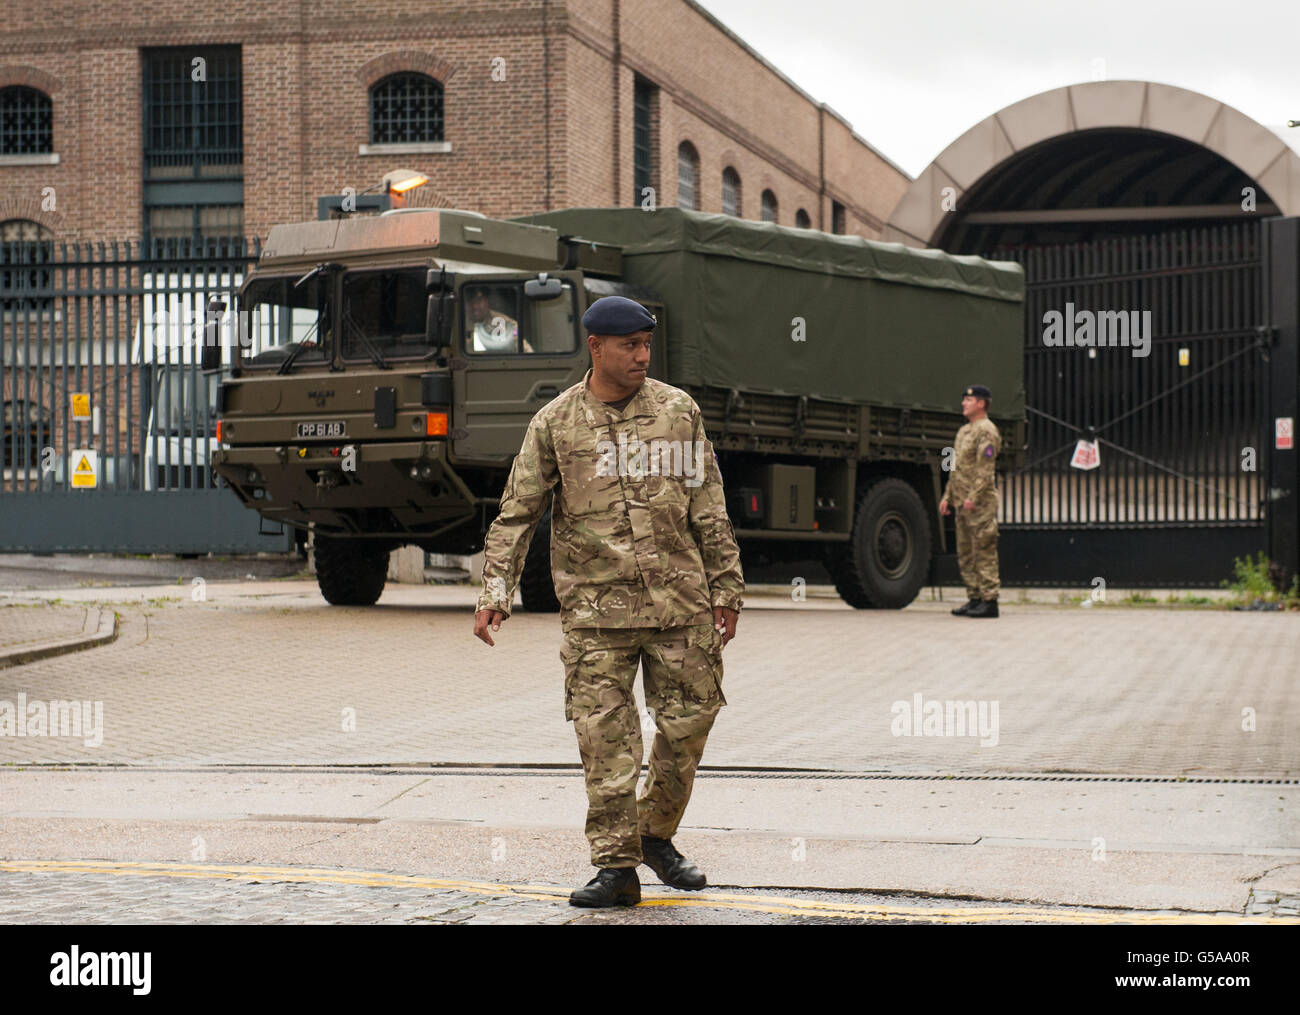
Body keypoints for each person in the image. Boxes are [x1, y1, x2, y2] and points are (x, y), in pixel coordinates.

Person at [472, 294, 744, 908]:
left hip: (682, 606)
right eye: (630, 346)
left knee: (689, 724)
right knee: (605, 738)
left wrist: (727, 587)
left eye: (648, 345)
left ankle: (654, 834)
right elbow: (517, 513)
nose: (642, 356)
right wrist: (496, 591)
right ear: (596, 347)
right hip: (597, 614)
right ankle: (617, 867)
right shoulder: (556, 424)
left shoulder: (680, 412)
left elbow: (709, 505)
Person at [940, 384, 1001, 618]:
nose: (964, 403)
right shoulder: (963, 432)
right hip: (962, 503)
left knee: (983, 550)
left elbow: (985, 470)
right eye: (964, 399)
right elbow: (954, 469)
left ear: (982, 403)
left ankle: (990, 600)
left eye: (969, 399)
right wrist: (948, 496)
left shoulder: (987, 431)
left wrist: (973, 497)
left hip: (980, 504)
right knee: (965, 552)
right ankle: (974, 597)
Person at [467, 288, 534, 353]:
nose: (475, 306)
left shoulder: (506, 324)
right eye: (470, 301)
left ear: (487, 301)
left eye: (479, 300)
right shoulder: (458, 322)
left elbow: (526, 350)